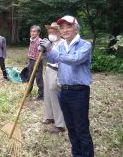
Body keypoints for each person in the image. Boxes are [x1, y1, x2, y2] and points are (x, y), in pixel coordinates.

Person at [40, 16, 94, 157]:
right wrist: (45, 52)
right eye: (62, 27)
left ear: (76, 28)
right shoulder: (62, 45)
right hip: (64, 91)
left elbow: (75, 59)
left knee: (81, 128)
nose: (65, 30)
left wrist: (52, 50)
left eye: (68, 26)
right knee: (71, 128)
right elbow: (53, 58)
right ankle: (76, 154)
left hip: (79, 92)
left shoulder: (85, 45)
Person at [42, 22, 65, 133]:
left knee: (55, 96)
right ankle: (49, 116)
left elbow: (61, 59)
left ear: (58, 32)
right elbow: (46, 58)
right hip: (48, 69)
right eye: (49, 31)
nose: (50, 33)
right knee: (47, 94)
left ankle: (60, 124)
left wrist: (49, 49)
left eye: (53, 31)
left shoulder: (63, 43)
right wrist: (43, 52)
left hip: (57, 71)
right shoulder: (50, 43)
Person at [27, 25, 44, 100]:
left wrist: (37, 63)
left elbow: (41, 54)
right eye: (31, 31)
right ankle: (28, 92)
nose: (32, 33)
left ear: (38, 33)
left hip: (37, 61)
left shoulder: (40, 41)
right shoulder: (31, 40)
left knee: (39, 78)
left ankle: (41, 95)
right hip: (31, 61)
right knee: (30, 77)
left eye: (34, 31)